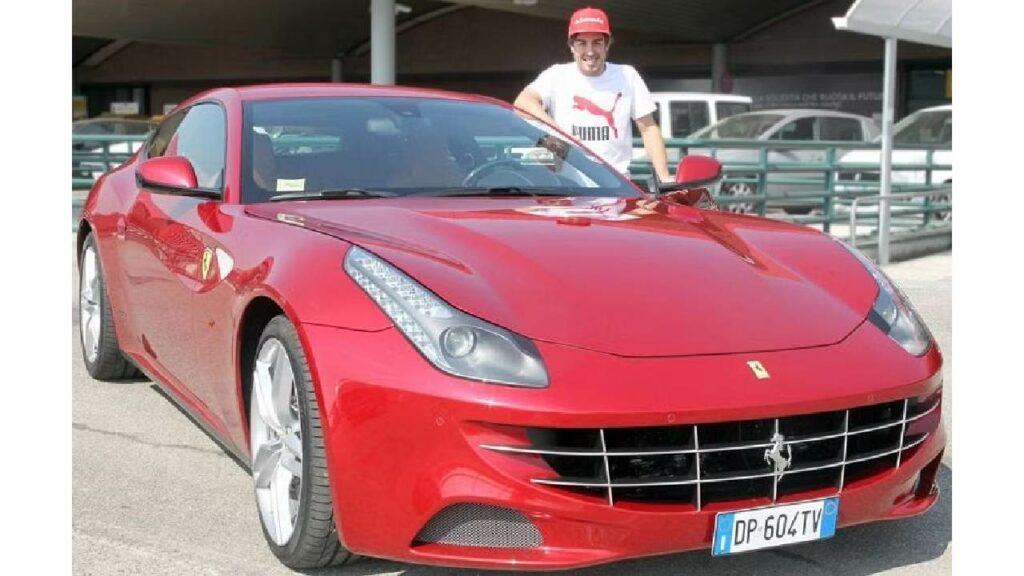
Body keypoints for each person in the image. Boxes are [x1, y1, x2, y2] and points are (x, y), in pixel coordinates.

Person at [514, 6, 671, 183]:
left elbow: (648, 128)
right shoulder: (556, 74)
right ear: (571, 46)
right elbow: (522, 103)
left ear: (607, 44)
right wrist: (559, 133)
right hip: (566, 183)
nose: (590, 51)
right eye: (582, 43)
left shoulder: (627, 75)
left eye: (597, 42)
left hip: (615, 184)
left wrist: (665, 180)